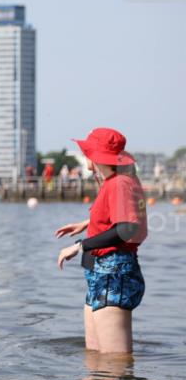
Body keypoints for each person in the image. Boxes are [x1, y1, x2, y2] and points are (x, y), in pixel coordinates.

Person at [56, 128, 147, 354]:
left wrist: (80, 246)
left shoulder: (119, 183)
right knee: (95, 357)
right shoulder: (116, 181)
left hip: (114, 273)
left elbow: (126, 228)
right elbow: (120, 215)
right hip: (101, 273)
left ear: (95, 156)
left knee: (114, 361)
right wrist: (88, 222)